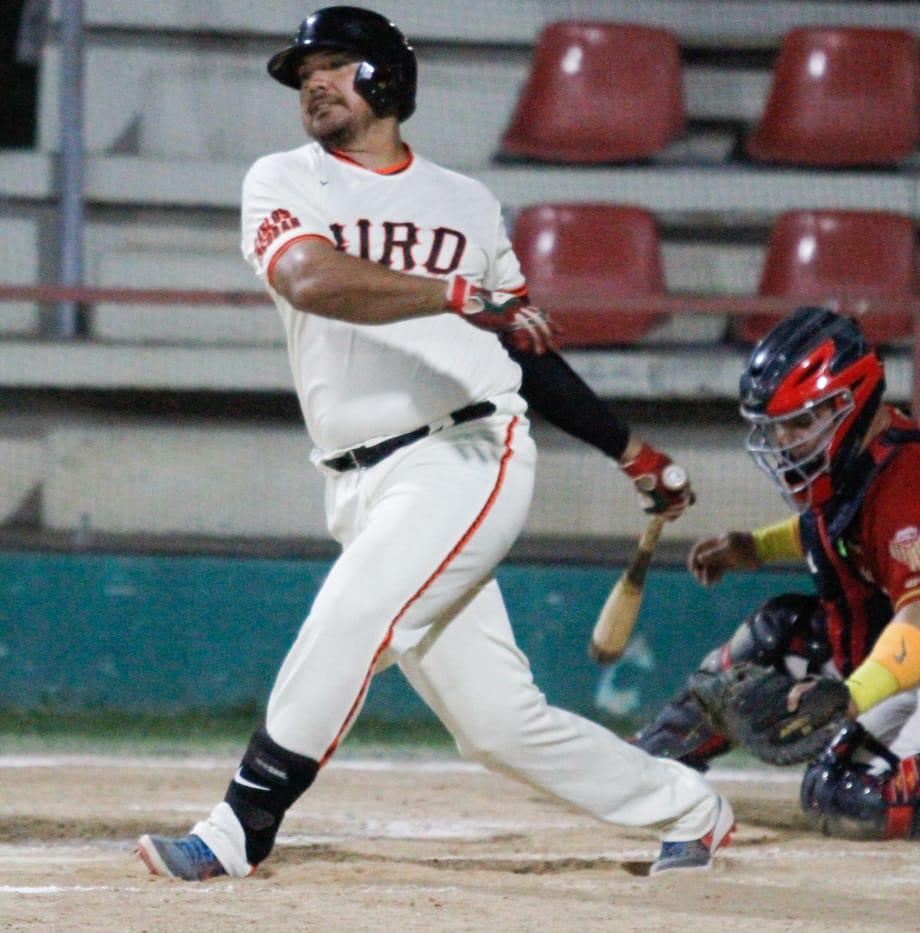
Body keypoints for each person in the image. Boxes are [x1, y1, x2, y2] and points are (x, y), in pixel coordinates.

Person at [134, 5, 731, 881]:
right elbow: (307, 277)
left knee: (354, 613)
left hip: (465, 452)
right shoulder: (284, 179)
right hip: (356, 480)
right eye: (307, 76)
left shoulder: (468, 201)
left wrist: (629, 448)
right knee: (497, 724)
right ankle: (693, 807)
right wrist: (452, 292)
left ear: (388, 76)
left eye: (335, 66)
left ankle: (240, 823)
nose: (315, 85)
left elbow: (524, 351)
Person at [635, 305, 920, 842]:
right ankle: (648, 763)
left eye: (799, 422)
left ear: (848, 403)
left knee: (850, 799)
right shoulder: (856, 459)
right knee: (782, 628)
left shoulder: (913, 479)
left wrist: (850, 696)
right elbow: (843, 532)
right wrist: (756, 547)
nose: (785, 440)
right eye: (778, 427)